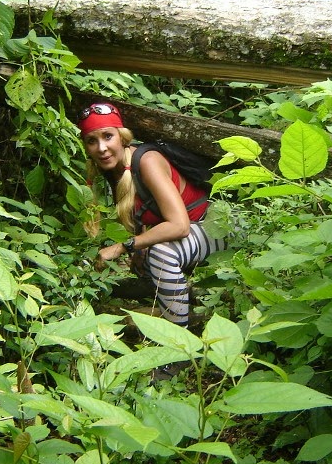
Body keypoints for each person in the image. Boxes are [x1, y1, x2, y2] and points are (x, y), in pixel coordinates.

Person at [78, 101, 227, 328]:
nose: (101, 148)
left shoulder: (147, 162)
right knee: (111, 262)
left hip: (217, 225)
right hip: (192, 236)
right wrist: (137, 250)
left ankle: (178, 341)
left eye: (107, 136)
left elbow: (179, 226)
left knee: (160, 253)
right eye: (92, 141)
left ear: (122, 137)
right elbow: (143, 212)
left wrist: (125, 246)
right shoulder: (111, 169)